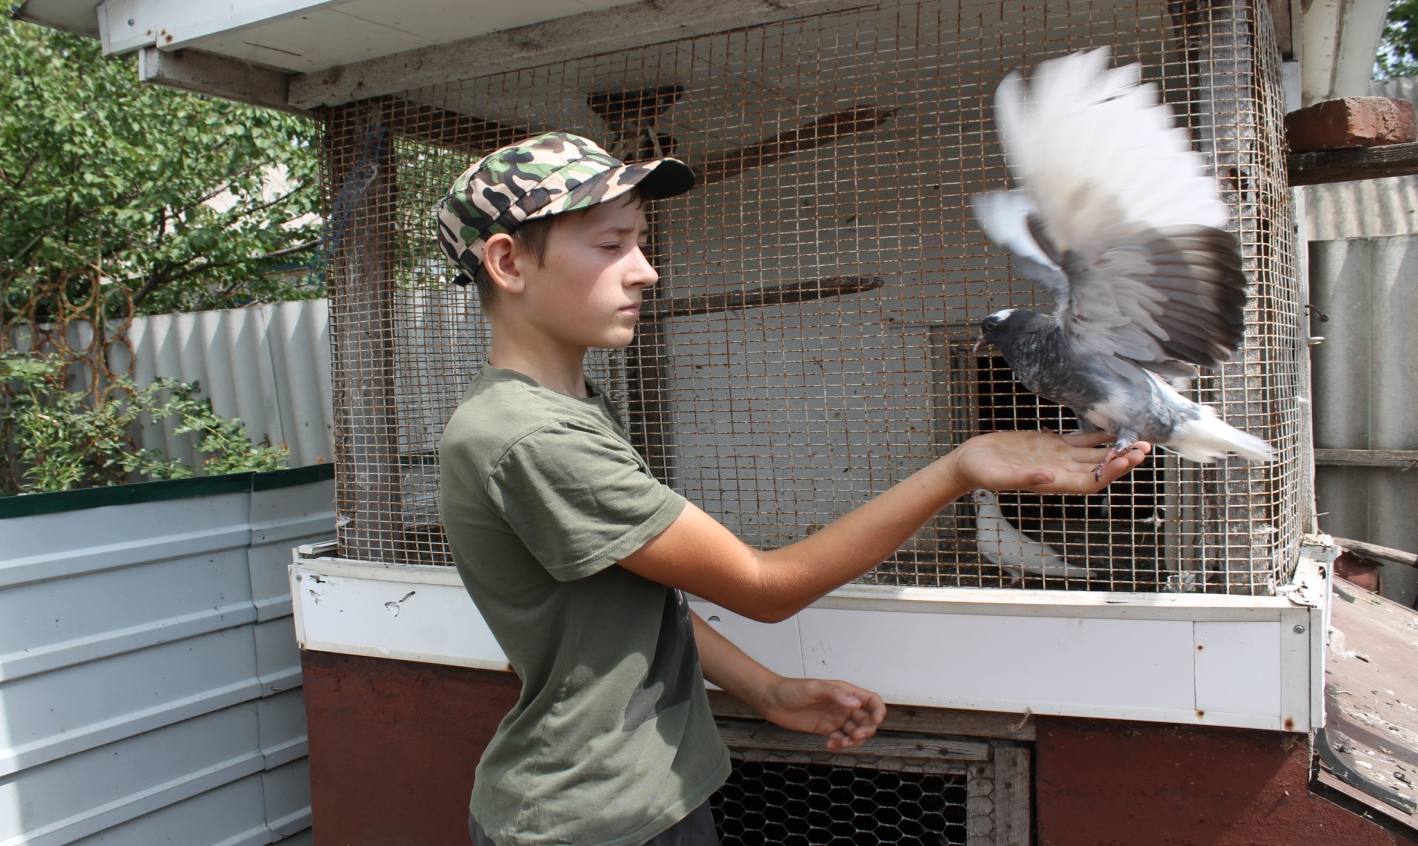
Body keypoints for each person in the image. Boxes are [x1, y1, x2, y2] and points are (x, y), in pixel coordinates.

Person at [434, 131, 1148, 846]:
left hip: (647, 793)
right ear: (506, 263)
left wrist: (763, 689)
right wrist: (959, 468)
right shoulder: (531, 438)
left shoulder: (573, 406)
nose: (645, 271)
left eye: (641, 243)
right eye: (611, 244)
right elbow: (763, 587)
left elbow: (636, 603)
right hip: (591, 817)